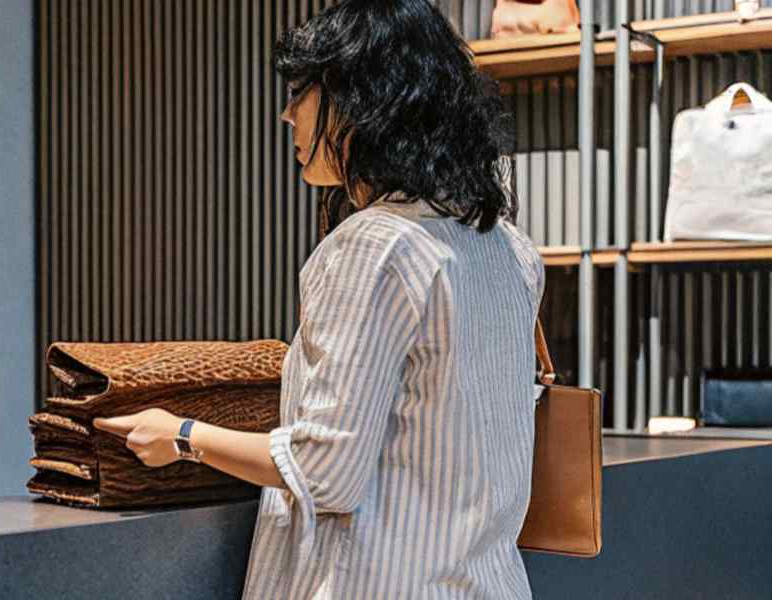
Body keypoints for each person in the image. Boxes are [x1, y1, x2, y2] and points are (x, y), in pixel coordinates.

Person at [94, 1, 545, 596]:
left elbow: (325, 471)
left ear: (364, 101)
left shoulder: (374, 246)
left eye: (302, 93)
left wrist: (181, 435)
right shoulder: (509, 248)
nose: (287, 115)